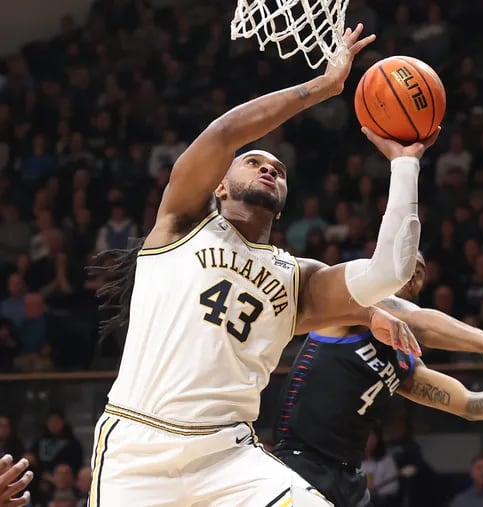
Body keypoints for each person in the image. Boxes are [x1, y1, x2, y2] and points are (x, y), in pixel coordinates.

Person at [89, 24, 433, 506]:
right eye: (253, 162)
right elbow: (225, 133)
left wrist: (405, 164)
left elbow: (389, 272)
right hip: (138, 449)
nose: (269, 167)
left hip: (229, 459)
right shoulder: (181, 223)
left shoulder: (298, 279)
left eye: (279, 169)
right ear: (219, 186)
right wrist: (322, 87)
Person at [272, 253, 483, 507]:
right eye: (405, 262)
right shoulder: (349, 309)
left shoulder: (403, 358)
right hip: (300, 464)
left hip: (348, 475)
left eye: (419, 272)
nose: (412, 275)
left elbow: (469, 405)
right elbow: (419, 320)